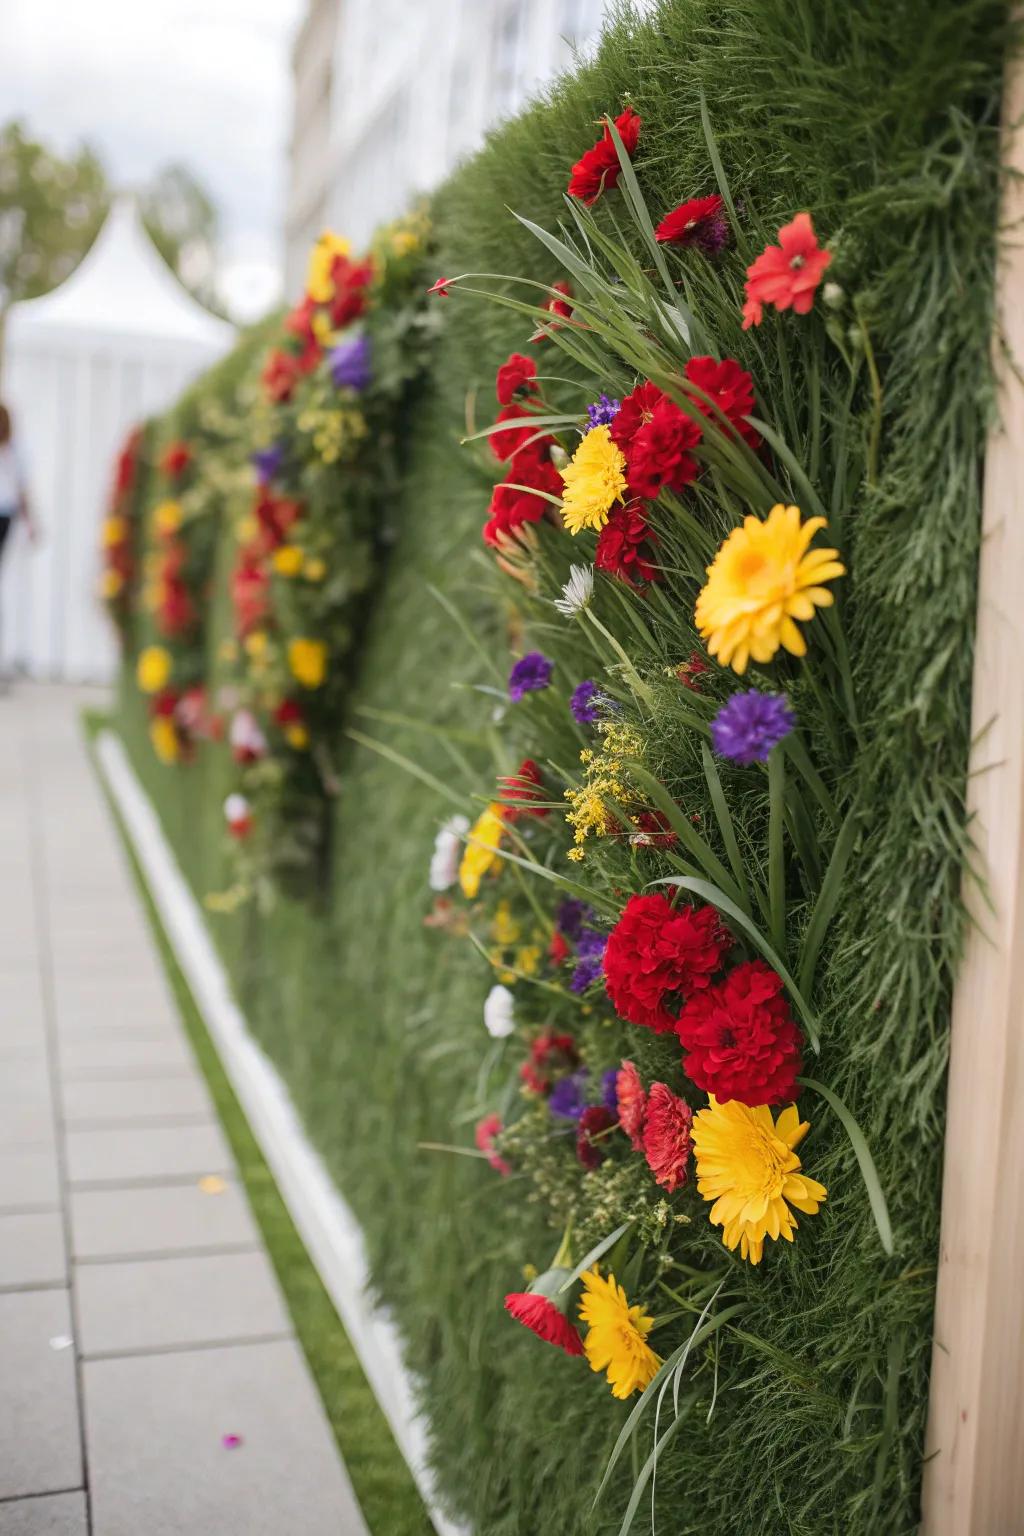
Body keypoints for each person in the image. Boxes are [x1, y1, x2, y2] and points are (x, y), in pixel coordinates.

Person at [0, 401, 36, 685]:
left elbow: (22, 488)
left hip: (4, 515)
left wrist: (30, 521)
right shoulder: (16, 450)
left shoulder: (15, 450)